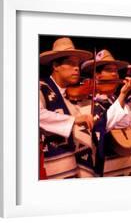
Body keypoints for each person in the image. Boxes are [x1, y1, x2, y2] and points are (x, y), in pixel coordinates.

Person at [80, 49, 131, 177]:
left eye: (116, 71)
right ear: (97, 75)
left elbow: (130, 139)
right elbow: (104, 123)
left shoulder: (119, 102)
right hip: (105, 173)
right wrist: (125, 98)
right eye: (109, 70)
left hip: (127, 169)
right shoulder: (86, 103)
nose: (115, 74)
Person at [39, 37, 94, 179]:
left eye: (78, 64)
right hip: (56, 166)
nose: (77, 68)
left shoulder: (80, 95)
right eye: (70, 63)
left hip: (83, 165)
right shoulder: (41, 87)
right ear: (55, 65)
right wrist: (73, 120)